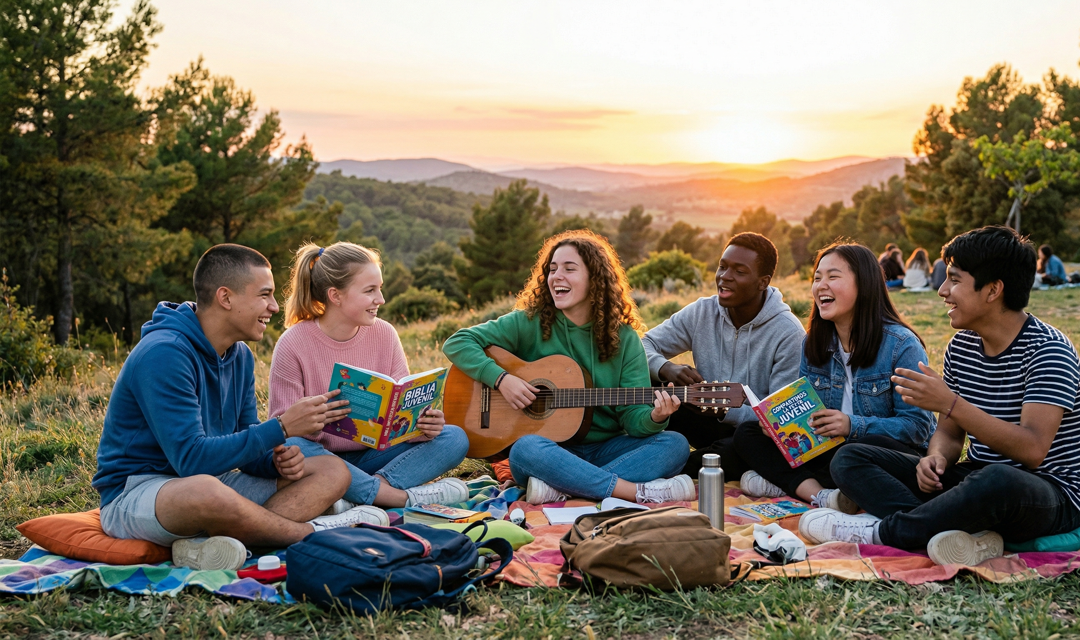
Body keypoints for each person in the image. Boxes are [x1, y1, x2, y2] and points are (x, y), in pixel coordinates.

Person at [802, 227, 1080, 567]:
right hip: (974, 479)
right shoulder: (962, 346)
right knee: (851, 457)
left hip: (1046, 492)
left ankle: (884, 532)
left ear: (993, 290)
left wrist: (949, 402)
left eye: (955, 280)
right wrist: (935, 459)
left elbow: (1033, 449)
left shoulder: (1048, 351)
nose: (942, 291)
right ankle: (950, 531)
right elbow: (949, 435)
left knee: (997, 480)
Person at [92, 245, 376, 571]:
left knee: (331, 471)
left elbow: (244, 440)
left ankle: (215, 544)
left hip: (216, 479)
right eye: (265, 295)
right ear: (226, 298)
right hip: (139, 491)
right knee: (205, 491)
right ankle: (311, 532)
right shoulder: (164, 354)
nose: (273, 306)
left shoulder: (240, 355)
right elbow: (190, 460)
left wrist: (275, 461)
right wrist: (281, 428)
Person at [443, 230, 692, 505]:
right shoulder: (530, 323)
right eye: (552, 269)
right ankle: (630, 492)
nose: (556, 276)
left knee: (674, 444)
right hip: (548, 451)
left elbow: (632, 418)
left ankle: (563, 488)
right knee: (525, 449)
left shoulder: (625, 339)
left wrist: (655, 417)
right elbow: (458, 342)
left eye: (569, 269)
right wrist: (501, 380)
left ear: (594, 279)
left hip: (606, 449)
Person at [269, 242, 470, 518]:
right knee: (296, 447)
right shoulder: (293, 344)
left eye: (380, 287)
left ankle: (357, 495)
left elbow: (399, 408)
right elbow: (281, 434)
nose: (381, 299)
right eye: (370, 291)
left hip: (376, 456)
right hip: (323, 461)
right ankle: (395, 497)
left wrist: (423, 425)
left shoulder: (385, 334)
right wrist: (316, 420)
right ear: (335, 296)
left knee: (454, 437)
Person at [733, 242, 935, 513]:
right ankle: (820, 495)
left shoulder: (902, 346)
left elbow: (917, 428)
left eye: (833, 276)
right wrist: (782, 425)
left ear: (863, 284)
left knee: (852, 454)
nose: (820, 285)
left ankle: (789, 483)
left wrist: (852, 425)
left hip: (882, 456)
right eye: (817, 278)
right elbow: (812, 419)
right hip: (830, 452)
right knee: (748, 434)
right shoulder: (814, 343)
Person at [642, 232, 805, 478]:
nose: (724, 277)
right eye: (722, 267)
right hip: (704, 422)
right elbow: (643, 345)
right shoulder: (702, 311)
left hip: (752, 434)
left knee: (737, 446)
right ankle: (656, 458)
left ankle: (669, 470)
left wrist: (724, 410)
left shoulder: (789, 333)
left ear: (763, 282)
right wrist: (665, 367)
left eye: (739, 271)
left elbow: (782, 419)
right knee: (653, 385)